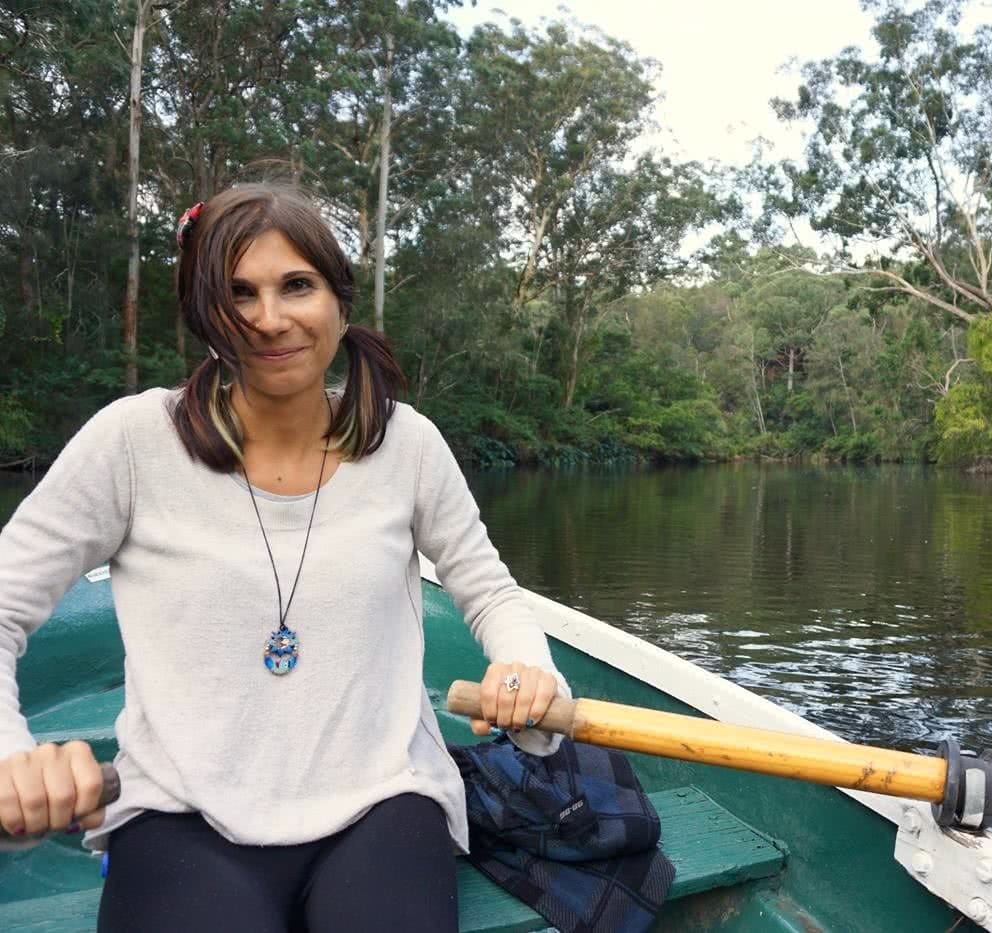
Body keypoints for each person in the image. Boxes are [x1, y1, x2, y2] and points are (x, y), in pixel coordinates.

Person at [0, 183, 569, 932]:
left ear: (338, 298)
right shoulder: (133, 443)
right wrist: (14, 755)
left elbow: (489, 592)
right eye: (239, 293)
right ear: (207, 313)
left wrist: (524, 666)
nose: (269, 319)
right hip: (182, 807)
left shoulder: (408, 444)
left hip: (382, 800)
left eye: (296, 285)